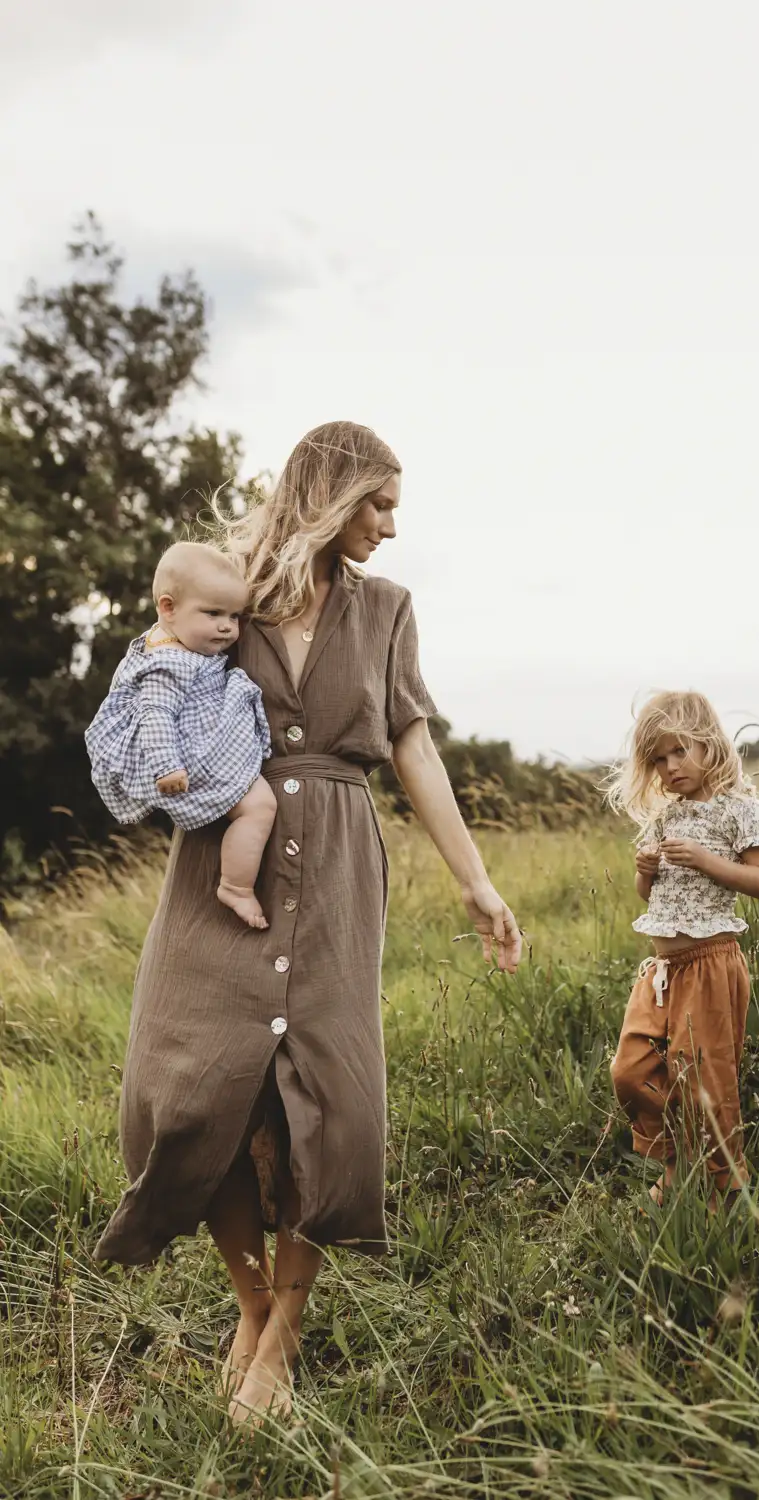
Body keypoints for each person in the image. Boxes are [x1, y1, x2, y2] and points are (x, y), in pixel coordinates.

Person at [94, 421, 522, 1425]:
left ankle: (278, 1339)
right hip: (221, 859)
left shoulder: (386, 611)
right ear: (330, 496)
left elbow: (413, 746)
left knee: (328, 1103)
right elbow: (148, 673)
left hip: (334, 859)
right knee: (194, 1090)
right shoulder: (223, 583)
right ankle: (249, 1305)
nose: (390, 526)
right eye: (377, 504)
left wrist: (477, 881)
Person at [605, 691, 759, 1209]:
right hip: (661, 968)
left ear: (709, 745)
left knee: (702, 1077)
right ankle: (679, 1162)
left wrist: (706, 860)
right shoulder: (667, 818)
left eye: (679, 751)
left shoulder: (740, 811)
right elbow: (650, 896)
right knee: (631, 1070)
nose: (669, 767)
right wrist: (645, 873)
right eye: (658, 759)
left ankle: (724, 1188)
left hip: (710, 962)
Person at [84, 541, 276, 928]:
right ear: (168, 608)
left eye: (234, 616)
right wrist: (166, 765)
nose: (226, 626)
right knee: (260, 806)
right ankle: (236, 886)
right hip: (185, 757)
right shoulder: (167, 664)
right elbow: (155, 713)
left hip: (192, 744)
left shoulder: (168, 642)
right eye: (213, 613)